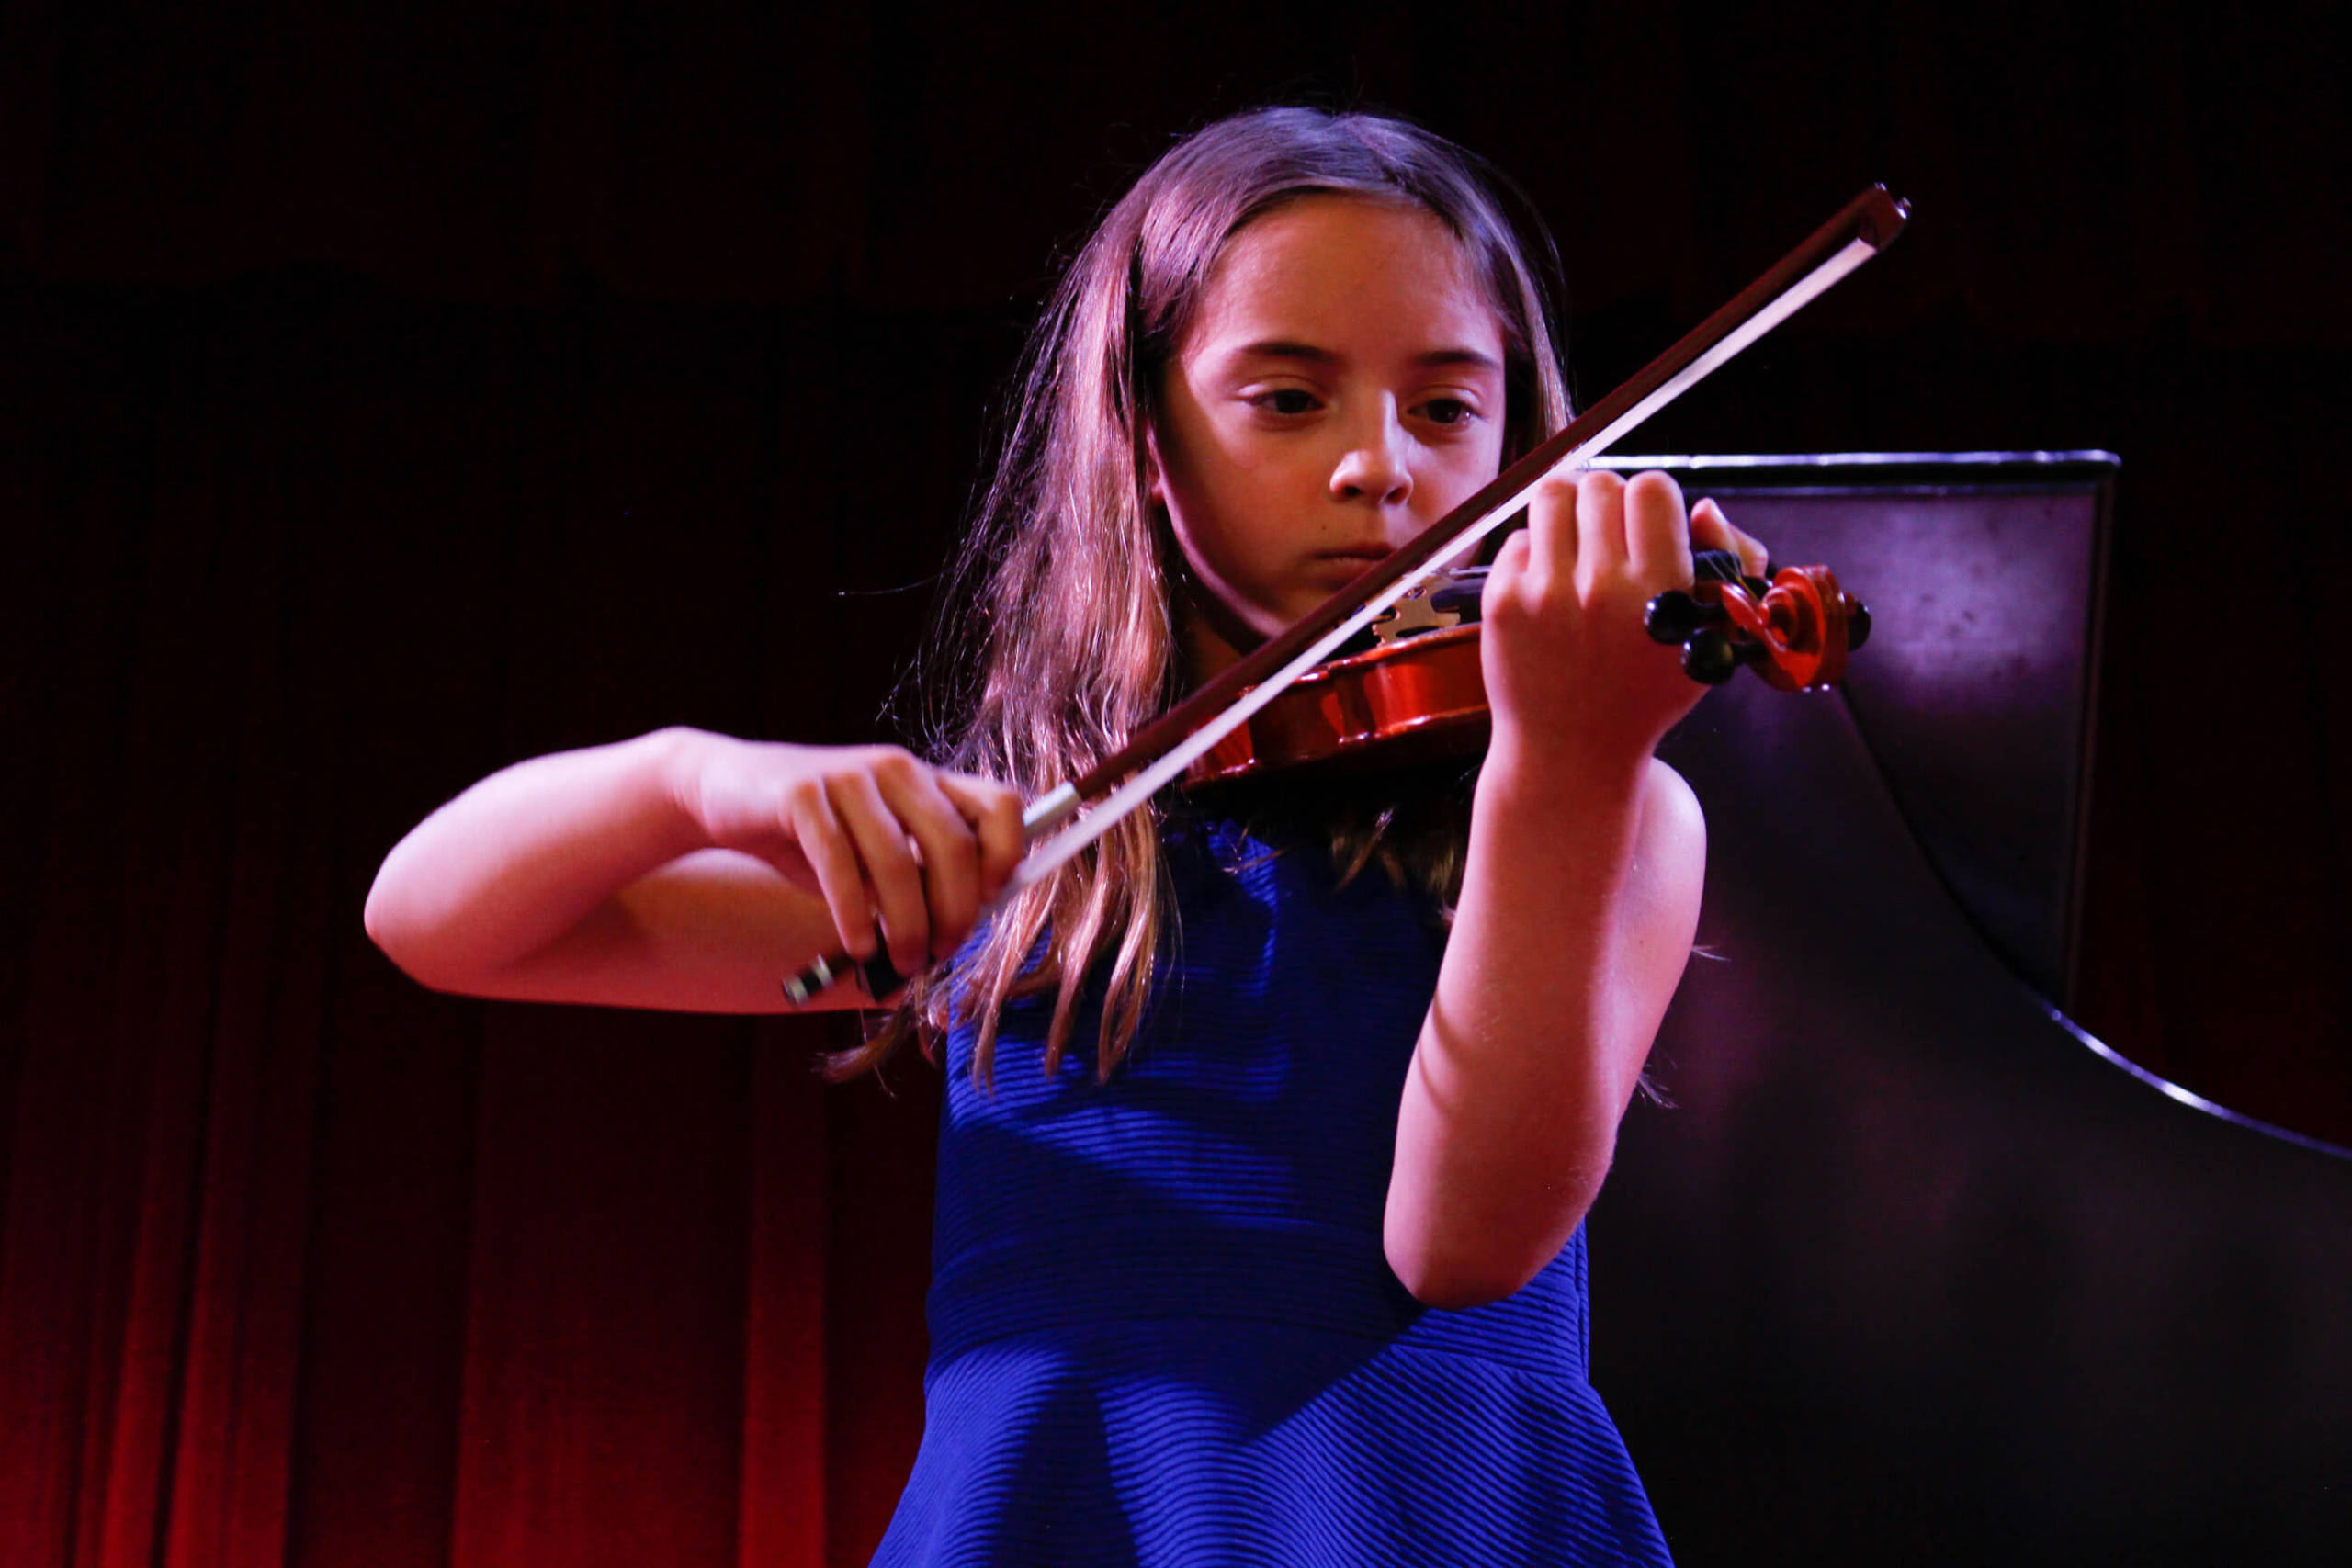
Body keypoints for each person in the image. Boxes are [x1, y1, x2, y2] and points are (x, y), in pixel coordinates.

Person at [367, 106, 1767, 1566]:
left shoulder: (1599, 805)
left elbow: (1460, 1246)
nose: (1381, 467)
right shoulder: (1028, 851)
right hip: (1059, 1509)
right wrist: (692, 780)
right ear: (1147, 440)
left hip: (1419, 1512)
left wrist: (1567, 759)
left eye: (1444, 407)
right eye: (1289, 400)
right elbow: (439, 915)